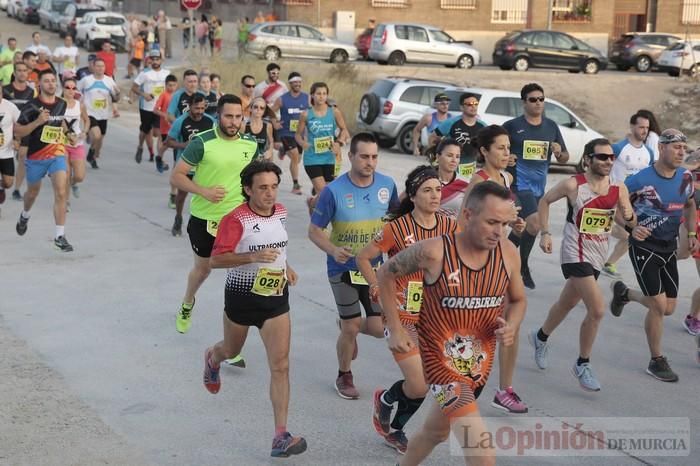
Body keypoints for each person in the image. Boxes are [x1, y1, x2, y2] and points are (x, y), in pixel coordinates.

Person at [376, 181, 526, 466]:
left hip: (479, 365)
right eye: (492, 222)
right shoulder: (434, 252)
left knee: (435, 432)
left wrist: (512, 325)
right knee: (482, 452)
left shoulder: (507, 253)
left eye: (504, 223)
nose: (498, 232)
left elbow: (518, 300)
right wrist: (395, 328)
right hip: (441, 365)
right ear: (468, 216)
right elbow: (386, 273)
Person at [204, 160, 306, 458]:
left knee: (281, 365)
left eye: (274, 186)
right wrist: (253, 256)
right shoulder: (236, 219)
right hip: (241, 298)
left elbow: (277, 246)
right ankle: (213, 357)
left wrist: (286, 266)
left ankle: (280, 435)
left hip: (275, 298)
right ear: (248, 189)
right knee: (230, 349)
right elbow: (216, 260)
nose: (270, 193)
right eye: (262, 188)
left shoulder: (282, 212)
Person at [358, 165, 457, 454]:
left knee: (424, 386)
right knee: (420, 383)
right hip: (400, 316)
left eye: (438, 189)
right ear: (412, 195)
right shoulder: (396, 228)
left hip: (435, 318)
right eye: (427, 190)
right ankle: (389, 407)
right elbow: (364, 258)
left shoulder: (450, 226)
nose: (435, 195)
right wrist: (376, 284)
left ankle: (391, 414)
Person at [532, 138, 636, 392]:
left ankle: (540, 337)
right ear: (588, 159)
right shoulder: (573, 185)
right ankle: (582, 363)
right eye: (602, 157)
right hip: (574, 252)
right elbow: (544, 201)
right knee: (598, 309)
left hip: (598, 253)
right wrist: (545, 232)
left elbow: (625, 220)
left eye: (611, 157)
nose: (608, 162)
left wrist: (633, 221)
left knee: (567, 302)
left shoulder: (618, 188)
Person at [308, 132, 399, 400]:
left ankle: (348, 323)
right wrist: (333, 249)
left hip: (374, 269)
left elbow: (395, 222)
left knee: (376, 328)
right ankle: (344, 374)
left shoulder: (387, 185)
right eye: (364, 157)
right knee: (350, 327)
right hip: (343, 268)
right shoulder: (332, 191)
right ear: (350, 157)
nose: (370, 162)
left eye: (374, 157)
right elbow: (314, 230)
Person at [609, 130, 698, 382]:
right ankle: (656, 360)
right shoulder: (640, 180)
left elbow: (690, 204)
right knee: (658, 306)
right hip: (644, 246)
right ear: (661, 148)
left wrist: (691, 232)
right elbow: (617, 208)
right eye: (676, 147)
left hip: (668, 246)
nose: (682, 152)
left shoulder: (685, 177)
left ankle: (625, 294)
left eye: (684, 147)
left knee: (669, 308)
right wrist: (631, 227)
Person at [170, 94, 258, 334]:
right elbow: (176, 176)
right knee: (203, 269)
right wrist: (203, 191)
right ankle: (188, 302)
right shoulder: (201, 142)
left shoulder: (250, 144)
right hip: (204, 218)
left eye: (238, 117)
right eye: (229, 116)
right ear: (218, 116)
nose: (233, 122)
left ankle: (232, 342)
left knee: (237, 278)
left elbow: (254, 180)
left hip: (237, 220)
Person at [461, 124, 528, 413]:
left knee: (510, 320)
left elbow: (499, 218)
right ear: (484, 151)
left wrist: (514, 224)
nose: (506, 152)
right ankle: (459, 381)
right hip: (478, 261)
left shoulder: (506, 177)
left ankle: (505, 389)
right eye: (500, 147)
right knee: (474, 326)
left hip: (502, 257)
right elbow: (463, 223)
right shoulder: (478, 181)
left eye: (508, 147)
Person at [504, 83, 568, 289]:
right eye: (533, 99)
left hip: (539, 187)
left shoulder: (551, 126)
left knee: (522, 227)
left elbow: (565, 158)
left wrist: (559, 152)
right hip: (518, 185)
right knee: (534, 223)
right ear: (524, 103)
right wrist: (507, 157)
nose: (538, 103)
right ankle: (521, 266)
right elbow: (492, 150)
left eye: (541, 99)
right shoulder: (512, 126)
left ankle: (502, 255)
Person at [14, 69, 74, 252]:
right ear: (39, 85)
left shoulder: (61, 104)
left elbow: (61, 122)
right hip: (36, 157)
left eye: (53, 81)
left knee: (61, 192)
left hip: (56, 154)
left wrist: (68, 133)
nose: (51, 84)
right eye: (46, 81)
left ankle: (59, 236)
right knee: (32, 194)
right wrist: (37, 122)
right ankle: (25, 215)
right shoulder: (32, 106)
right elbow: (18, 130)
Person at [602, 112, 654, 278]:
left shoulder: (649, 152)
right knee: (629, 233)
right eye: (641, 127)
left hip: (634, 202)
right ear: (632, 127)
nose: (644, 131)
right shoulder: (619, 148)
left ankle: (609, 263)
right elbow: (602, 166)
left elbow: (649, 175)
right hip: (613, 197)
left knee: (631, 234)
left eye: (647, 128)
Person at [167, 94, 216, 237]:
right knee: (182, 194)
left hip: (204, 165)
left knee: (207, 193)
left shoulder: (210, 121)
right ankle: (178, 217)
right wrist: (183, 145)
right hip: (186, 165)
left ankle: (207, 222)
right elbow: (168, 142)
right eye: (196, 108)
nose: (200, 111)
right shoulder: (180, 121)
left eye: (202, 108)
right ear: (189, 105)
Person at [295, 82, 350, 204]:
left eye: (324, 94)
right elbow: (297, 135)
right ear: (312, 95)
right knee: (323, 192)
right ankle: (320, 219)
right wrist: (303, 143)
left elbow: (344, 130)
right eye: (318, 93)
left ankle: (312, 203)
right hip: (312, 158)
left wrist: (339, 143)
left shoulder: (334, 112)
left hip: (329, 158)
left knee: (328, 193)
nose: (321, 96)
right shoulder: (306, 114)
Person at [430, 92, 486, 179]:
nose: (473, 106)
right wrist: (434, 159)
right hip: (449, 171)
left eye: (475, 104)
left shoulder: (483, 126)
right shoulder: (451, 123)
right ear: (461, 107)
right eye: (469, 104)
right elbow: (432, 137)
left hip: (469, 170)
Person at [78, 57, 120, 169]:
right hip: (89, 113)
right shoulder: (86, 80)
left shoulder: (109, 80)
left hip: (103, 114)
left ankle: (92, 155)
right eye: (98, 66)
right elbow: (77, 93)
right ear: (93, 67)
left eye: (102, 66)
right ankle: (91, 145)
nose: (100, 68)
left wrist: (117, 95)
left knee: (99, 140)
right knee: (96, 136)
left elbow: (115, 97)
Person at [271, 72, 308, 195]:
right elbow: (270, 112)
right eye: (295, 82)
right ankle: (296, 185)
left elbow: (313, 112)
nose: (298, 84)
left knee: (297, 160)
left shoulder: (307, 98)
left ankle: (282, 150)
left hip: (299, 134)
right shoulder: (282, 99)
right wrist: (275, 123)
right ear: (290, 83)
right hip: (286, 133)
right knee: (295, 156)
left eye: (299, 82)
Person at [4, 60, 36, 201]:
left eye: (25, 70)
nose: (22, 73)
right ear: (14, 73)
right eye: (19, 70)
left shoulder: (32, 91)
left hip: (25, 129)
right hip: (7, 131)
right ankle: (3, 184)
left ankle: (16, 189)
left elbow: (36, 109)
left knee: (22, 156)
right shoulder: (5, 90)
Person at [132, 49, 170, 163]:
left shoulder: (167, 73)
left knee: (159, 133)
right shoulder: (144, 73)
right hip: (146, 107)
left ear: (161, 60)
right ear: (149, 60)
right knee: (145, 131)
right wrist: (144, 94)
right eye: (152, 59)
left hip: (161, 108)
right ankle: (140, 146)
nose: (155, 61)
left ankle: (159, 158)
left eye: (157, 59)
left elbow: (171, 87)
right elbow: (134, 87)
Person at [61, 76, 89, 203]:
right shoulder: (58, 104)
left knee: (79, 176)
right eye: (68, 87)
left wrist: (84, 132)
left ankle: (74, 183)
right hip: (62, 143)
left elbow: (87, 120)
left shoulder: (80, 105)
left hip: (77, 143)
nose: (71, 90)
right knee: (66, 175)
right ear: (63, 88)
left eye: (73, 88)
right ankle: (66, 202)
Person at [432, 137, 469, 218]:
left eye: (457, 156)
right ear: (438, 157)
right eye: (449, 155)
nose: (454, 160)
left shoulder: (465, 184)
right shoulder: (425, 180)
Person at [0, 84, 20, 211]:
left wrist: (17, 139)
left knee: (8, 183)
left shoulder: (10, 106)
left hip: (6, 151)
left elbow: (20, 124)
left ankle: (1, 187)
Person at [153, 73, 178, 174]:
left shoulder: (178, 95)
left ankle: (175, 167)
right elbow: (155, 110)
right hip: (165, 126)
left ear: (177, 85)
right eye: (169, 85)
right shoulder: (164, 95)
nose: (172, 87)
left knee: (176, 145)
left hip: (175, 125)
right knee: (166, 144)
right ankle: (159, 158)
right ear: (166, 85)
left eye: (173, 85)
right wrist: (164, 115)